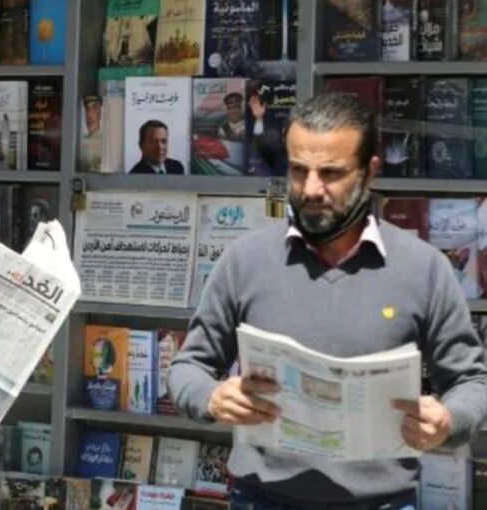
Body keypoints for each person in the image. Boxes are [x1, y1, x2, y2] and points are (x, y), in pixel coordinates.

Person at [168, 92, 487, 509]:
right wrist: (211, 397)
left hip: (382, 501)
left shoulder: (423, 268)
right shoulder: (245, 260)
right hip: (261, 498)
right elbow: (187, 368)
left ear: (369, 172)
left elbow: (471, 383)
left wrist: (448, 421)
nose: (311, 189)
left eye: (331, 173)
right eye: (298, 170)